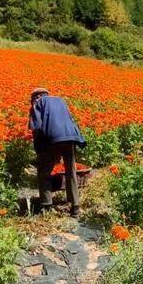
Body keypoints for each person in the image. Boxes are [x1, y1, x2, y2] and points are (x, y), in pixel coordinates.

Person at [29, 88, 86, 217]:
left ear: (36, 97)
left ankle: (46, 206)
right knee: (71, 171)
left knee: (44, 172)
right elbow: (70, 120)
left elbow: (37, 128)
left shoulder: (37, 103)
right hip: (70, 136)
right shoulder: (61, 101)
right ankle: (75, 207)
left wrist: (40, 152)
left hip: (53, 138)